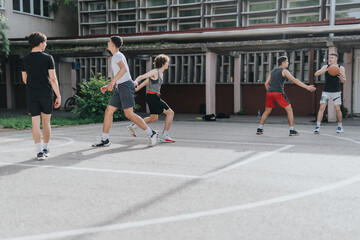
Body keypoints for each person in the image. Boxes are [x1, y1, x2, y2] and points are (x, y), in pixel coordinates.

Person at [92, 36, 158, 147]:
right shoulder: (116, 56)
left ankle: (151, 133)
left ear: (113, 44)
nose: (107, 43)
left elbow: (124, 70)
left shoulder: (117, 55)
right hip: (121, 86)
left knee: (129, 114)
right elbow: (121, 74)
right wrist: (110, 84)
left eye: (109, 42)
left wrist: (112, 82)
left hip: (125, 86)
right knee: (109, 111)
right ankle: (105, 139)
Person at [21, 32, 61, 161]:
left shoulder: (25, 59)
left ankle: (39, 152)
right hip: (45, 93)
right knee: (46, 122)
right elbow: (53, 79)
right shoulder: (48, 58)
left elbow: (24, 79)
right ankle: (45, 148)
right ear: (40, 43)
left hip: (32, 94)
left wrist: (34, 84)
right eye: (45, 42)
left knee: (35, 123)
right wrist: (58, 96)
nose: (46, 44)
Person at [256, 56, 316, 136]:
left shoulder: (273, 71)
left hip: (269, 93)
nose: (288, 63)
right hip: (278, 93)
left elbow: (266, 83)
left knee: (267, 111)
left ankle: (259, 128)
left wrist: (270, 91)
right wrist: (306, 87)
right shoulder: (284, 71)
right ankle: (292, 130)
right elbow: (294, 80)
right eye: (287, 61)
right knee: (289, 110)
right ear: (283, 62)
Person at [127, 54, 175, 143]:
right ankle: (165, 135)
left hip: (152, 97)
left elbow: (141, 86)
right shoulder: (155, 72)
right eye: (167, 62)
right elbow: (142, 76)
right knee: (170, 113)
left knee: (154, 118)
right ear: (163, 63)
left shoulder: (159, 74)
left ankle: (134, 126)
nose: (168, 64)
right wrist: (135, 81)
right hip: (153, 97)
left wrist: (135, 89)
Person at [314, 52, 346, 134]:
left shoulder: (340, 68)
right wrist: (325, 70)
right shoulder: (326, 66)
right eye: (329, 57)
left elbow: (344, 81)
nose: (330, 59)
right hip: (326, 91)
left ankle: (340, 127)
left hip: (336, 92)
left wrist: (342, 78)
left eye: (332, 57)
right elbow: (316, 73)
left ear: (336, 59)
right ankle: (317, 127)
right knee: (322, 107)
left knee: (337, 109)